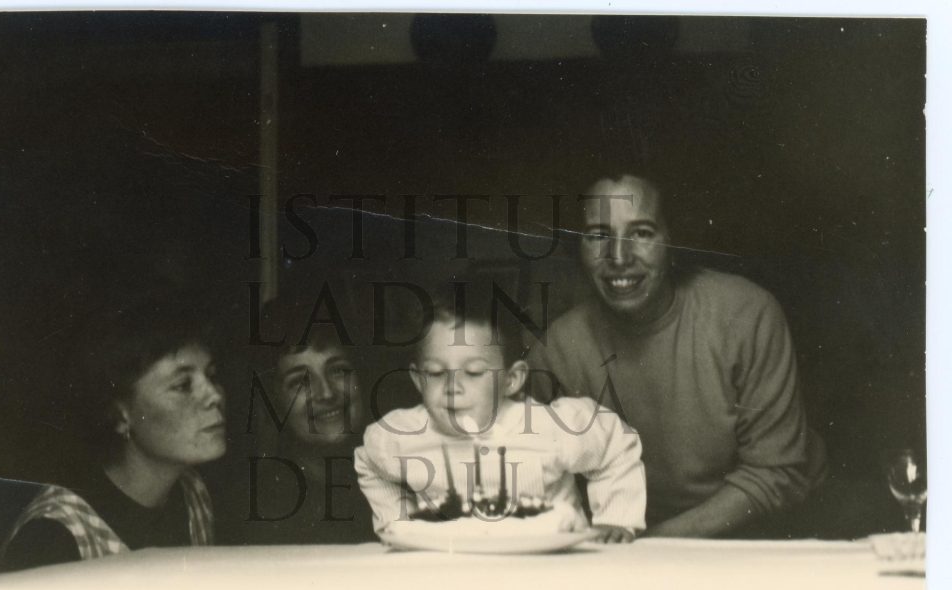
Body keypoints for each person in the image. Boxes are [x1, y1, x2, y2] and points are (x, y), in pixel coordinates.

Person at [527, 171, 829, 538]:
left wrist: (651, 545)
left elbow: (776, 473)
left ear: (672, 240)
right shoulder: (557, 348)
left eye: (641, 233)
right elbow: (529, 468)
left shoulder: (745, 313)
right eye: (598, 236)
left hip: (766, 530)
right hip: (628, 538)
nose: (619, 257)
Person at [354, 298, 646, 542]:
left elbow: (614, 445)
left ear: (511, 380)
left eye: (473, 373)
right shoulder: (401, 436)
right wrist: (399, 523)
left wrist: (615, 518)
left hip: (550, 567)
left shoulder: (549, 427)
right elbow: (369, 463)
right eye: (436, 373)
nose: (452, 387)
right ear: (418, 380)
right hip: (450, 570)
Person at [0, 303, 225, 572]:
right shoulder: (52, 538)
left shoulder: (193, 491)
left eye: (211, 376)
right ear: (119, 415)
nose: (215, 395)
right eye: (183, 386)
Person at [243, 301, 378, 544]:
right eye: (300, 382)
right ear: (274, 402)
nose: (326, 393)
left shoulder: (405, 478)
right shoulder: (268, 505)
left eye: (338, 370)